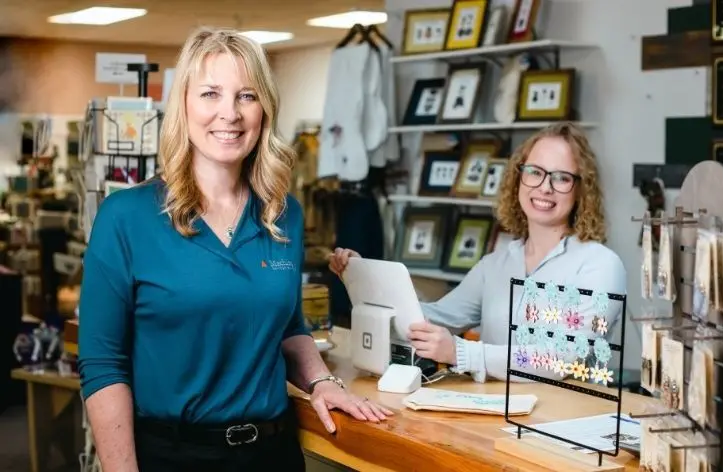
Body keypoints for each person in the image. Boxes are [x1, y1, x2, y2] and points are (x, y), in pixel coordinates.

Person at [78, 27, 391, 472]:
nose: (230, 113)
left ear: (265, 109)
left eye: (247, 96)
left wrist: (322, 381)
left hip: (272, 454)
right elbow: (103, 364)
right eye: (210, 94)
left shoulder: (284, 214)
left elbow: (288, 327)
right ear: (183, 105)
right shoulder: (126, 217)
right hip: (172, 456)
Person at [329, 122, 626, 383]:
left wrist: (463, 352)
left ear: (580, 190)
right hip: (496, 422)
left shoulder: (600, 265)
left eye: (561, 178)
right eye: (535, 172)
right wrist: (363, 279)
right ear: (518, 178)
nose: (544, 187)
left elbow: (563, 357)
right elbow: (431, 320)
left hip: (566, 433)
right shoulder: (495, 264)